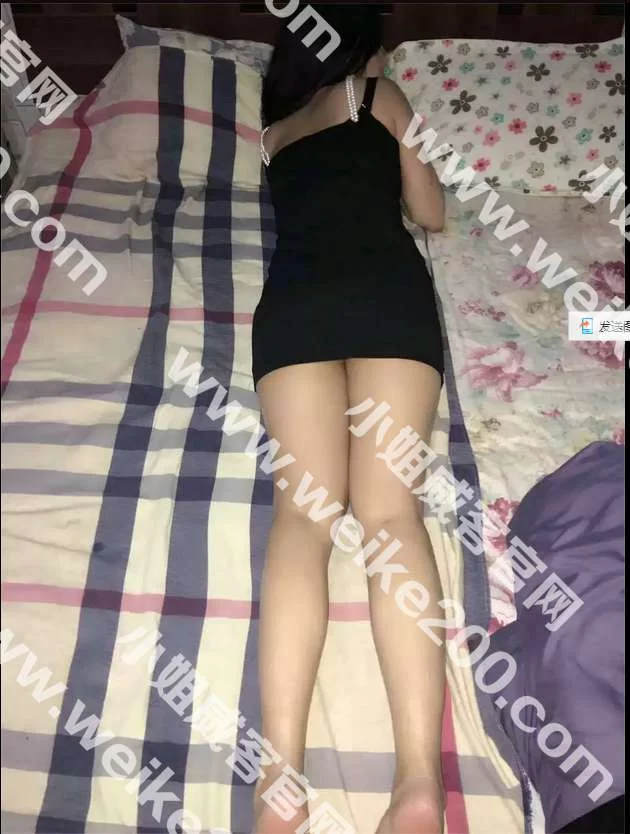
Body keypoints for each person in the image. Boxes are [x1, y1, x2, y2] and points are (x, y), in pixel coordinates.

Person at [252, 6, 447, 833]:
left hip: (293, 311)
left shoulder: (273, 136)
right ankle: (418, 783)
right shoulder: (379, 96)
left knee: (302, 517)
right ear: (362, 45)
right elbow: (431, 213)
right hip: (385, 301)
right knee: (390, 516)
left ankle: (280, 779)